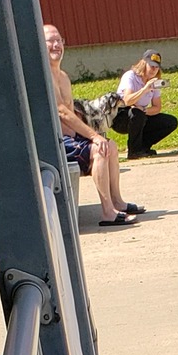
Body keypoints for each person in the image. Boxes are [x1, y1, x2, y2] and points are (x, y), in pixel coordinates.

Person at [43, 22, 140, 226]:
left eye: (58, 40)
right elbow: (61, 112)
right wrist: (94, 136)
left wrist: (92, 135)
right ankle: (107, 212)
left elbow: (72, 112)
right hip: (56, 142)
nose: (55, 45)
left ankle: (118, 203)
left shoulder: (63, 76)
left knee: (110, 147)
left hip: (71, 139)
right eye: (50, 41)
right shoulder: (44, 76)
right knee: (99, 150)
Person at [118, 50, 178, 158]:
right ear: (143, 63)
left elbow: (157, 107)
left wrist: (144, 110)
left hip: (140, 115)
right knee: (136, 113)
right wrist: (145, 89)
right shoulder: (130, 76)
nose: (154, 70)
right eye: (151, 66)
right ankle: (134, 151)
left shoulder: (155, 82)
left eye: (157, 67)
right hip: (121, 116)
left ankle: (143, 147)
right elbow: (127, 100)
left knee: (170, 122)